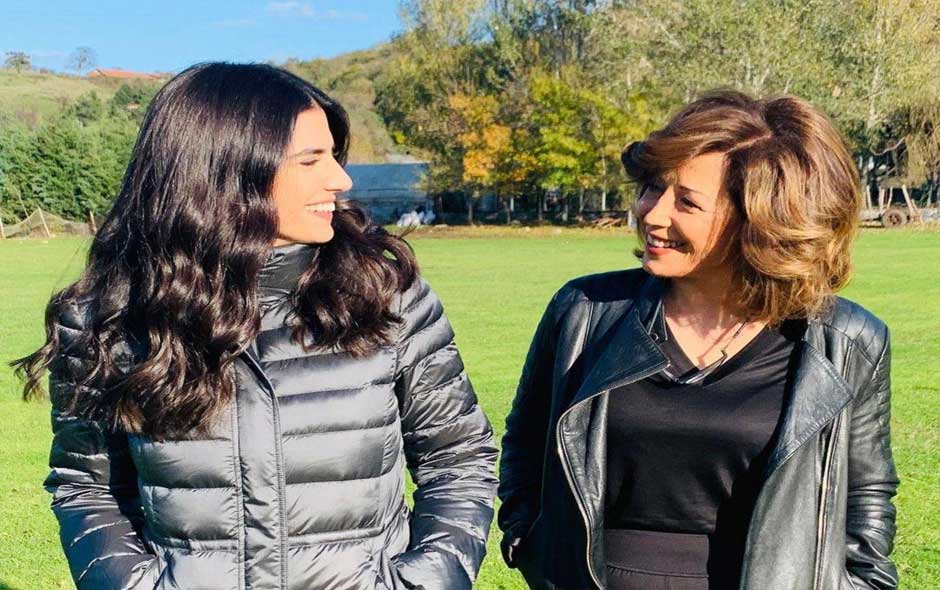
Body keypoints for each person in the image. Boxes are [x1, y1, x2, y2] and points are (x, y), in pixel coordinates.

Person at [14, 62, 498, 590]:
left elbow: (458, 459)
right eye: (311, 160)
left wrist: (424, 583)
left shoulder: (385, 296)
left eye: (333, 156)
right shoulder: (107, 319)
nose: (340, 179)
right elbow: (87, 486)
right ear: (226, 172)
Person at [497, 90, 899, 590]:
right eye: (652, 187)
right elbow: (526, 440)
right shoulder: (584, 311)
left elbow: (865, 493)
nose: (651, 213)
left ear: (762, 220)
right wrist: (525, 536)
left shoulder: (847, 341)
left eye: (686, 202)